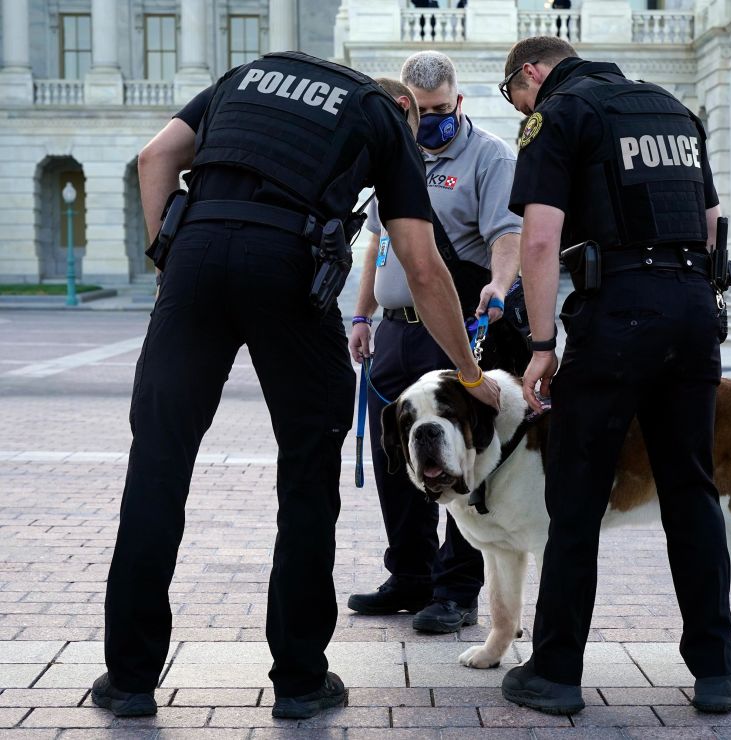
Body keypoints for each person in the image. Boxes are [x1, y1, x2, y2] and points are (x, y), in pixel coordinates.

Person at [92, 51, 500, 721]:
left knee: (157, 465)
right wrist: (469, 372)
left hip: (194, 256)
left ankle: (130, 679)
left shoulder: (246, 76)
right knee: (308, 474)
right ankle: (300, 680)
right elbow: (424, 268)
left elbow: (154, 157)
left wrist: (171, 263)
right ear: (405, 107)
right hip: (288, 265)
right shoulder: (379, 115)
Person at [495, 36, 731, 716]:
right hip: (693, 308)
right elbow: (711, 220)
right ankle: (718, 670)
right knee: (691, 488)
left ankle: (555, 673)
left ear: (532, 73)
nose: (520, 106)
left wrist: (542, 343)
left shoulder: (561, 113)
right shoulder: (670, 108)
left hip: (620, 313)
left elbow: (540, 238)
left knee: (576, 497)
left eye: (514, 95)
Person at [346, 51, 522, 633]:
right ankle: (410, 575)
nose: (431, 120)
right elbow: (375, 244)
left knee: (463, 457)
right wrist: (363, 316)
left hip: (454, 334)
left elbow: (507, 234)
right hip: (394, 332)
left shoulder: (490, 156)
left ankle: (455, 589)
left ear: (458, 101)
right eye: (420, 112)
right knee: (395, 455)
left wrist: (499, 284)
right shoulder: (394, 154)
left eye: (441, 109)